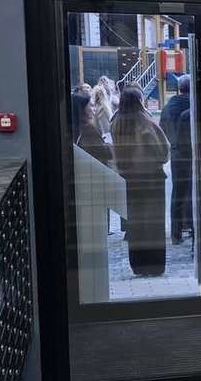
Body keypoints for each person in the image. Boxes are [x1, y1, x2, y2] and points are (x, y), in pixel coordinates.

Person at [110, 86, 170, 276]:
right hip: (151, 178)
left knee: (135, 222)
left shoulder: (116, 123)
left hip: (128, 178)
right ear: (139, 101)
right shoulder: (145, 122)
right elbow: (163, 150)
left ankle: (138, 264)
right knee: (153, 223)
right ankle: (154, 264)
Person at [160, 75, 194, 244]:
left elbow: (162, 128)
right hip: (191, 152)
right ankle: (192, 226)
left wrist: (173, 142)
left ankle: (176, 233)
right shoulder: (192, 104)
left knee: (178, 193)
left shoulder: (168, 107)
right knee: (194, 191)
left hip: (176, 153)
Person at [71, 91, 113, 167]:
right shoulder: (88, 130)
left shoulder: (74, 127)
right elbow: (106, 153)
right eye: (91, 106)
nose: (95, 109)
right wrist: (109, 145)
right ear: (83, 108)